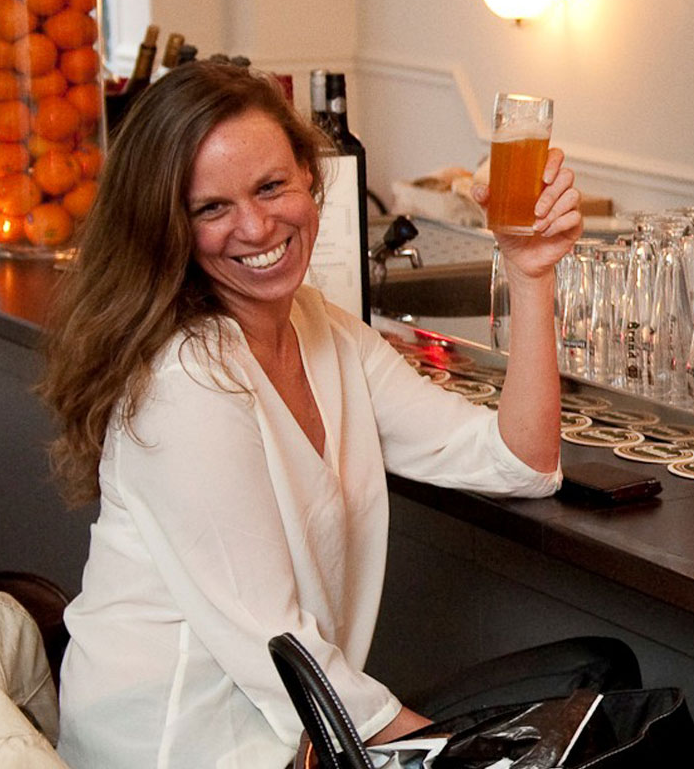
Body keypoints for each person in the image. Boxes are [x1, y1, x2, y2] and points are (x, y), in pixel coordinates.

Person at [38, 62, 582, 767]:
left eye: (271, 186)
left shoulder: (321, 330)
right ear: (166, 228)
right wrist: (466, 758)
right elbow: (281, 650)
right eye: (212, 208)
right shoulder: (185, 384)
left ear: (309, 178)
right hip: (189, 750)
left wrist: (530, 273)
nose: (256, 225)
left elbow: (520, 462)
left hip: (303, 733)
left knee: (592, 677)